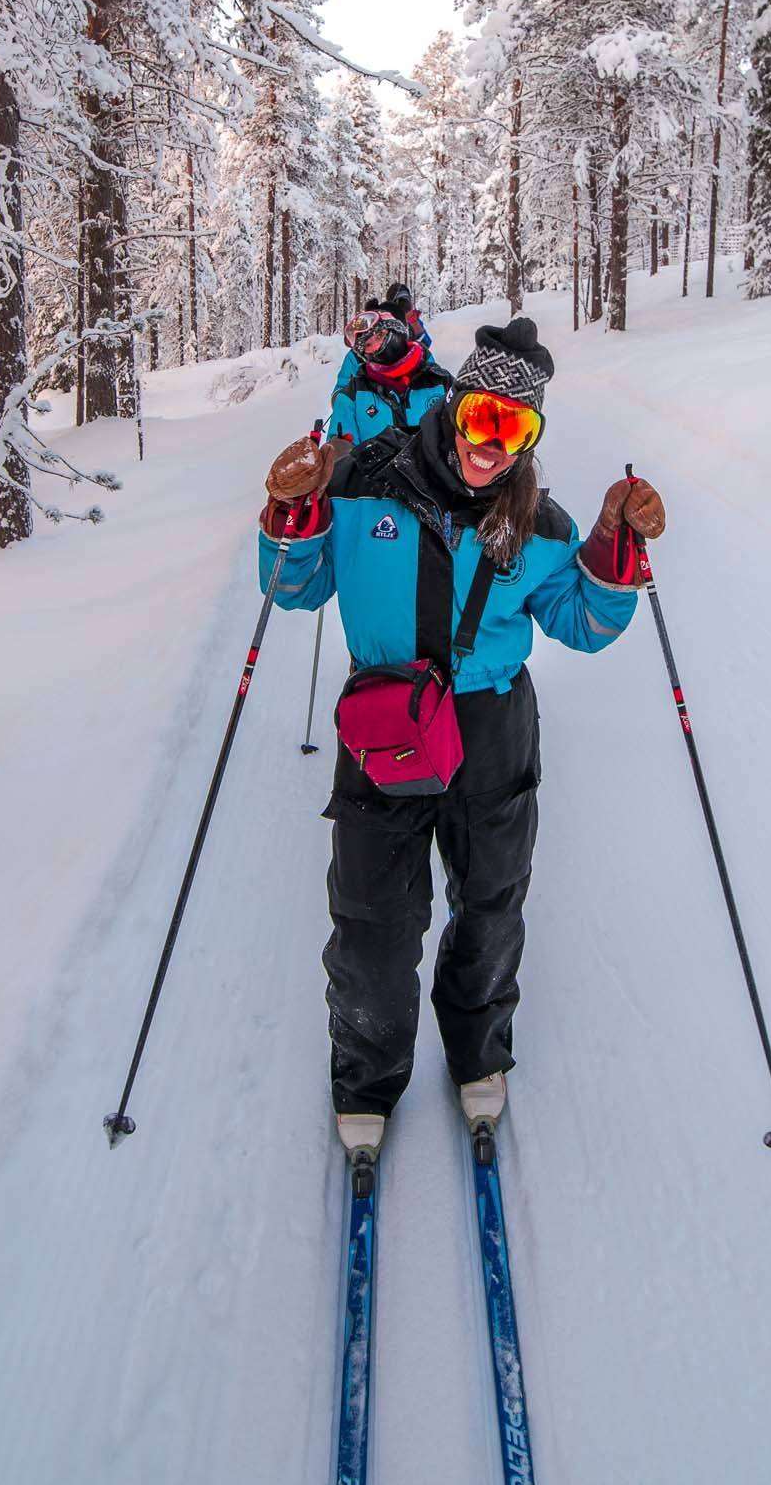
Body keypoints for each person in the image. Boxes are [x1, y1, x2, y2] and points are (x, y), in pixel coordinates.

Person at [259, 315, 666, 1159]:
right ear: (456, 404)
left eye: (516, 428)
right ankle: (367, 1073)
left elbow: (583, 623)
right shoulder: (364, 483)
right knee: (373, 920)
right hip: (385, 722)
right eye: (483, 416)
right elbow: (295, 590)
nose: (493, 443)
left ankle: (478, 1050)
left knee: (489, 907)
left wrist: (614, 546)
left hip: (489, 732)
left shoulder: (539, 526)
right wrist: (292, 514)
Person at [327, 299, 448, 446]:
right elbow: (341, 458)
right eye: (368, 344)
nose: (377, 346)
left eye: (380, 335)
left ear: (398, 331)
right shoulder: (351, 396)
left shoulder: (441, 382)